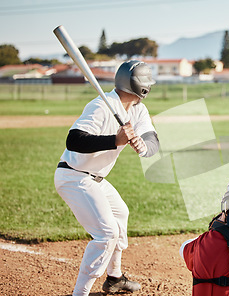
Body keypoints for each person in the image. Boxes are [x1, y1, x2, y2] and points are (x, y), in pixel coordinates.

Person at [54, 60, 159, 296]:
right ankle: (80, 293)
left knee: (121, 213)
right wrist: (115, 140)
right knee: (107, 233)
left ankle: (114, 278)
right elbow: (74, 140)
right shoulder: (101, 106)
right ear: (142, 87)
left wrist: (143, 146)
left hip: (96, 179)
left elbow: (152, 140)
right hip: (74, 177)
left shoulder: (137, 109)